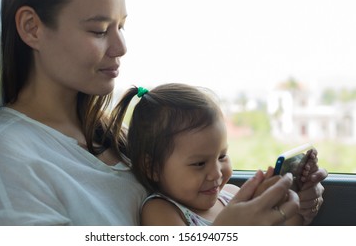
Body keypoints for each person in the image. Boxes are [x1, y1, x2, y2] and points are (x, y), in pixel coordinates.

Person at [0, 0, 326, 225]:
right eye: (99, 30)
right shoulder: (7, 156)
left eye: (121, 26)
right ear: (32, 28)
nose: (121, 47)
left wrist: (285, 210)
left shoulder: (116, 139)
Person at [108, 83, 326, 225]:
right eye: (199, 163)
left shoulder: (230, 194)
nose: (216, 173)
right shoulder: (161, 211)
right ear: (153, 168)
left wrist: (298, 202)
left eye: (222, 156)